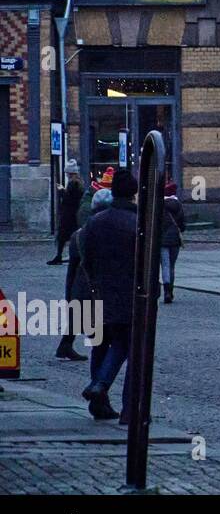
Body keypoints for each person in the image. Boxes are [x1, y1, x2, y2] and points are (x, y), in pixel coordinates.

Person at [79, 170, 141, 421]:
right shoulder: (139, 224)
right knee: (128, 346)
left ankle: (99, 401)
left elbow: (86, 257)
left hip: (99, 293)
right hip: (130, 297)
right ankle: (111, 394)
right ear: (134, 193)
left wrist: (95, 281)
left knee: (100, 345)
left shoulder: (96, 221)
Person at [56, 187, 112, 362]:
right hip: (96, 285)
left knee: (79, 316)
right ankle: (100, 378)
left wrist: (69, 293)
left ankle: (65, 345)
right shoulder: (105, 233)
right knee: (96, 331)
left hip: (80, 284)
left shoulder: (77, 235)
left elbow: (71, 269)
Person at [49, 162, 84, 265]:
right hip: (73, 214)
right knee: (68, 236)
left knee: (62, 237)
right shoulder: (79, 182)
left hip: (69, 215)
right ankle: (64, 256)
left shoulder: (73, 184)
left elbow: (69, 199)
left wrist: (61, 191)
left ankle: (60, 256)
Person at [160, 180, 186, 303]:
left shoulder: (159, 206)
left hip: (162, 240)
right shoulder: (178, 205)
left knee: (165, 265)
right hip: (175, 240)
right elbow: (182, 225)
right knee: (172, 266)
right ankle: (171, 290)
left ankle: (166, 291)